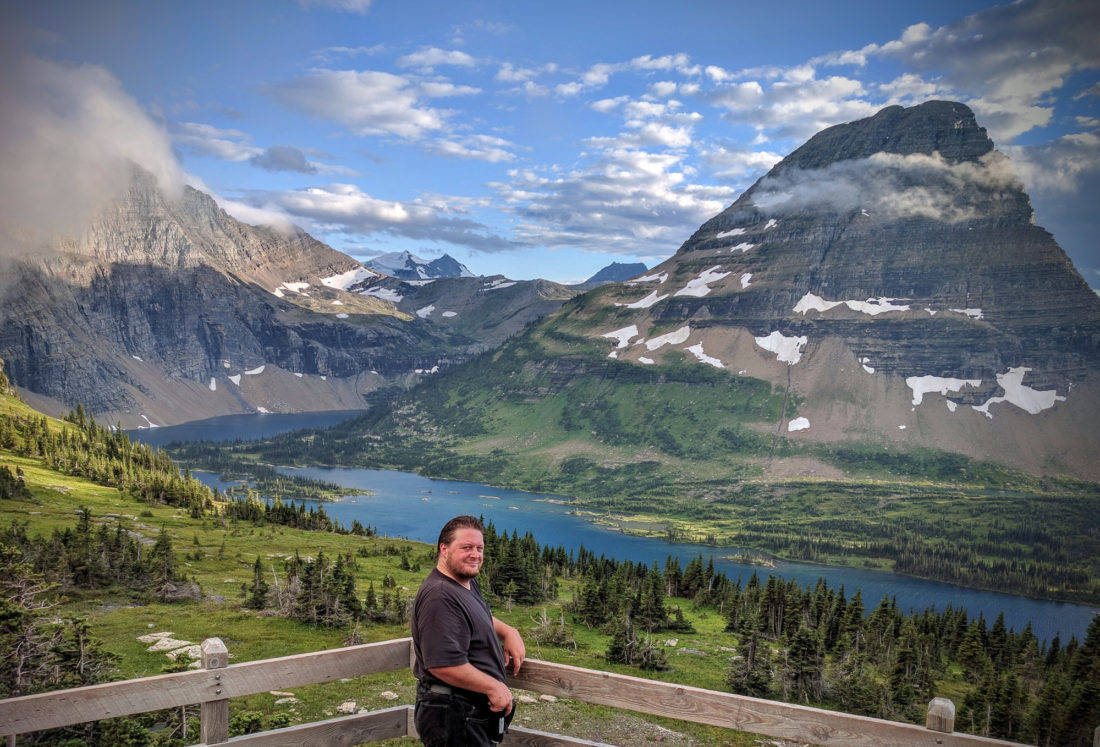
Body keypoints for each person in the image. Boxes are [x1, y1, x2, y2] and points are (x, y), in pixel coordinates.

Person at [411, 515, 526, 746]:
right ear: (444, 549)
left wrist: (508, 631)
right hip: (453, 715)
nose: (475, 554)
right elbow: (442, 664)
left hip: (465, 713)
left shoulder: (465, 582)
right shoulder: (440, 595)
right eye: (466, 547)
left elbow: (474, 617)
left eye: (479, 548)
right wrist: (494, 686)